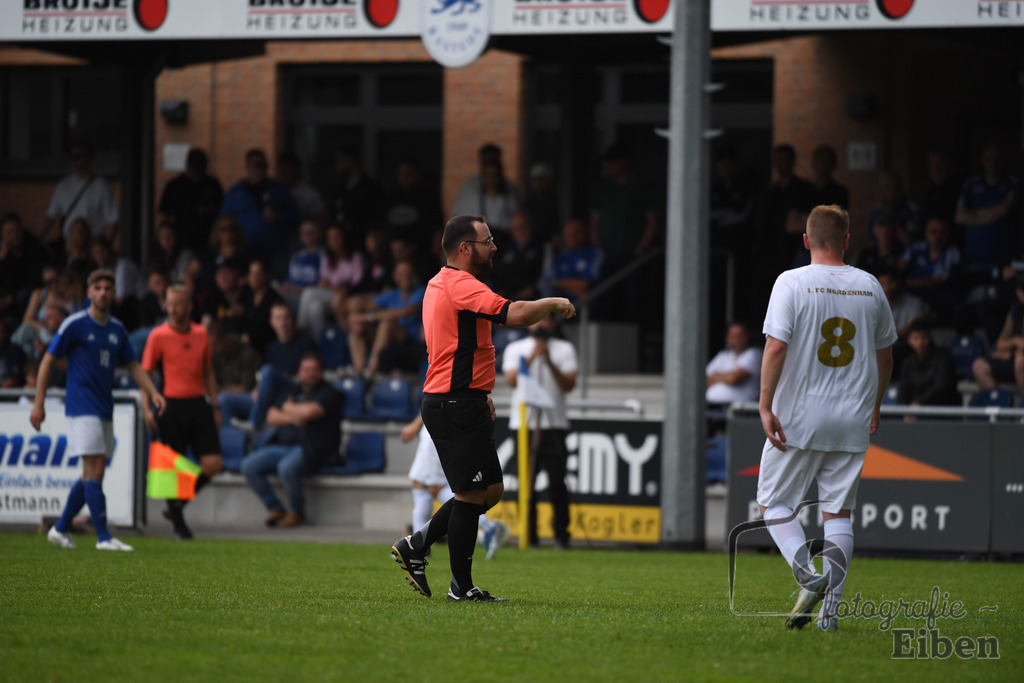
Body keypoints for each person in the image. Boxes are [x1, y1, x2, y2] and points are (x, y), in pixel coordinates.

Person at [390, 214, 576, 603]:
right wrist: (552, 302)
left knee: (489, 491)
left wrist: (479, 389)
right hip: (454, 402)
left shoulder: (438, 283)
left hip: (461, 398)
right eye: (487, 241)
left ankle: (417, 544)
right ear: (464, 248)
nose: (494, 247)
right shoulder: (461, 284)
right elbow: (516, 314)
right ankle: (460, 587)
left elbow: (453, 346)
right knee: (471, 494)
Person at [757, 204, 896, 631]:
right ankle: (830, 615)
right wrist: (876, 404)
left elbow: (776, 347)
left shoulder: (791, 281)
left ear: (806, 240)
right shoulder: (870, 286)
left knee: (773, 503)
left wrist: (764, 405)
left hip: (799, 415)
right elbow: (886, 356)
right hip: (852, 416)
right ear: (847, 241)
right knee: (838, 514)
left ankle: (807, 575)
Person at [32, 269, 167, 551]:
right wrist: (38, 403)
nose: (103, 293)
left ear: (114, 293)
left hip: (105, 407)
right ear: (89, 292)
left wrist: (153, 392)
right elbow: (48, 360)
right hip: (82, 407)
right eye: (98, 288)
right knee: (93, 469)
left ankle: (59, 529)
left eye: (108, 288)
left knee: (92, 474)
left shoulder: (117, 330)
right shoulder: (75, 324)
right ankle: (104, 538)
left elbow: (133, 366)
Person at [141, 285, 224, 540]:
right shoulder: (158, 335)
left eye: (178, 304)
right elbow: (145, 374)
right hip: (171, 405)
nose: (173, 309)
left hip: (198, 403)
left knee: (213, 463)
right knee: (172, 468)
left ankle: (177, 506)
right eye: (170, 304)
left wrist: (215, 405)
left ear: (189, 306)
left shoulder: (200, 333)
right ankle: (179, 525)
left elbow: (208, 371)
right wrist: (147, 408)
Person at [502, 314, 578, 549]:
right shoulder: (516, 348)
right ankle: (529, 534)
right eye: (537, 320)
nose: (542, 325)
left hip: (554, 423)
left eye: (546, 321)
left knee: (557, 481)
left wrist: (550, 362)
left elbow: (569, 384)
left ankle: (561, 535)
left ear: (553, 324)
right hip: (523, 424)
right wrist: (533, 356)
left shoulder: (564, 349)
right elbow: (512, 381)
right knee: (526, 482)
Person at [240, 352, 343, 528]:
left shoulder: (330, 393)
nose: (310, 374)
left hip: (312, 449)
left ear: (321, 372)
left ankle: (297, 512)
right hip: (282, 445)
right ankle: (275, 508)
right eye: (306, 370)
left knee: (286, 467)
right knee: (248, 465)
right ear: (299, 372)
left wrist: (287, 408)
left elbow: (309, 412)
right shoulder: (293, 391)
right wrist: (295, 416)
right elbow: (271, 416)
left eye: (314, 369)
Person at [400, 414, 509, 561]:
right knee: (419, 484)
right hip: (439, 419)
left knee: (434, 487)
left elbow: (437, 398)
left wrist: (416, 424)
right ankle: (417, 547)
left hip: (443, 420)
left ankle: (488, 526)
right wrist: (418, 423)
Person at [220, 148, 300, 277]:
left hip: (275, 251)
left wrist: (279, 217)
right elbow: (224, 221)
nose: (262, 169)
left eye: (264, 165)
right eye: (257, 165)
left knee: (277, 282)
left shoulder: (279, 189)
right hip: (246, 252)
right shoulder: (236, 193)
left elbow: (296, 217)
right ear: (248, 167)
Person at [347, 260, 425, 378]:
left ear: (413, 275)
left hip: (410, 340)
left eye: (408, 273)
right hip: (388, 340)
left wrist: (365, 317)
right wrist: (354, 314)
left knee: (386, 324)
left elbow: (404, 312)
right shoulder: (392, 294)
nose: (405, 276)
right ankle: (359, 372)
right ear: (394, 276)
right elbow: (367, 304)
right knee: (357, 328)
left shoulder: (420, 292)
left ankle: (370, 371)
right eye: (401, 273)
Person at [42, 142, 119, 251]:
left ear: (90, 158)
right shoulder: (63, 186)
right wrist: (40, 238)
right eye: (73, 157)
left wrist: (103, 249)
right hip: (69, 246)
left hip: (92, 247)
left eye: (80, 156)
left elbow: (112, 221)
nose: (76, 160)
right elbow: (51, 216)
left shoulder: (102, 187)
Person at [157, 147, 224, 252]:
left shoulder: (211, 184)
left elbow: (221, 211)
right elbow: (164, 215)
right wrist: (166, 238)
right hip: (181, 239)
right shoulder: (175, 186)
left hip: (207, 238)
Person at [970, 271, 1024, 397]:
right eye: (1022, 290)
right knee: (979, 366)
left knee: (1020, 361)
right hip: (1015, 359)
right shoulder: (1016, 310)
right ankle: (997, 402)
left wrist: (1011, 352)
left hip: (1020, 361)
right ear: (1018, 292)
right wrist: (1015, 342)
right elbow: (1000, 344)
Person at [332, 146, 385, 250]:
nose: (336, 165)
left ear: (350, 160)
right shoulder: (340, 187)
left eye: (339, 160)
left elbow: (375, 217)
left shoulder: (370, 187)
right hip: (341, 246)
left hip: (362, 243)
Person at [897, 319, 959, 408]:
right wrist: (905, 410)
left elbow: (941, 388)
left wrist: (919, 402)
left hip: (941, 409)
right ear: (909, 341)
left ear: (929, 337)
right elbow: (903, 393)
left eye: (923, 337)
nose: (920, 343)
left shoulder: (943, 358)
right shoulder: (907, 363)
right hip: (913, 411)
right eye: (916, 338)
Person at [540, 218, 603, 304]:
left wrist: (560, 283)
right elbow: (548, 281)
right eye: (567, 235)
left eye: (574, 234)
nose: (570, 238)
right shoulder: (563, 257)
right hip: (564, 301)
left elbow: (585, 285)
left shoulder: (594, 254)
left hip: (586, 303)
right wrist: (574, 289)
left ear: (583, 234)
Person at [0, 212, 48, 322]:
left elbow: (35, 278)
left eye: (17, 231)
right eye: (10, 232)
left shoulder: (32, 245)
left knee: (22, 297)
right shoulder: (3, 251)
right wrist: (2, 259)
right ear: (2, 234)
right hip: (7, 294)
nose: (14, 235)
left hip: (29, 293)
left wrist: (11, 298)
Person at [705, 321, 762, 410]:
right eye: (733, 336)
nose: (737, 340)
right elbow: (704, 381)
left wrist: (716, 375)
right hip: (711, 406)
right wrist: (726, 377)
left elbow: (733, 378)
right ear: (727, 338)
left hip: (740, 410)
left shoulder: (755, 353)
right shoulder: (722, 356)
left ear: (749, 335)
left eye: (740, 335)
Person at [277, 150, 325, 224]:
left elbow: (318, 220)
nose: (283, 171)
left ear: (296, 169)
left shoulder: (309, 195)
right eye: (281, 167)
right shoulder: (273, 192)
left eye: (287, 167)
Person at [810, 144, 849, 210]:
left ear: (833, 164)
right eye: (821, 160)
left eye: (827, 161)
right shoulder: (804, 191)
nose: (823, 165)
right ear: (814, 163)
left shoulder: (839, 193)